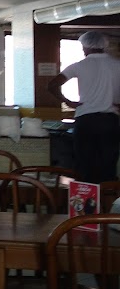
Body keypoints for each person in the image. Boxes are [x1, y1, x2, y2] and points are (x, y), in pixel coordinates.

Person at [48, 31, 120, 183]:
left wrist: (67, 101)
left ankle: (85, 195)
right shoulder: (117, 64)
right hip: (110, 121)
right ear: (103, 45)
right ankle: (107, 195)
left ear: (86, 47)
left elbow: (52, 85)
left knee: (84, 163)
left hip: (86, 120)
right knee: (108, 163)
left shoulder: (79, 65)